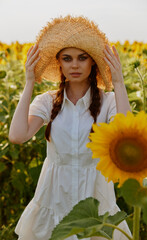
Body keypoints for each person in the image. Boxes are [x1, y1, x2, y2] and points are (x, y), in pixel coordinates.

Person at [9, 15, 132, 240]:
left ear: (92, 61)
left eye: (82, 58)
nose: (74, 65)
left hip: (94, 203)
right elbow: (17, 135)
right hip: (55, 200)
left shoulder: (109, 102)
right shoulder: (47, 102)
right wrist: (29, 82)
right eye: (67, 58)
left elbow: (127, 135)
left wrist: (119, 82)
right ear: (59, 63)